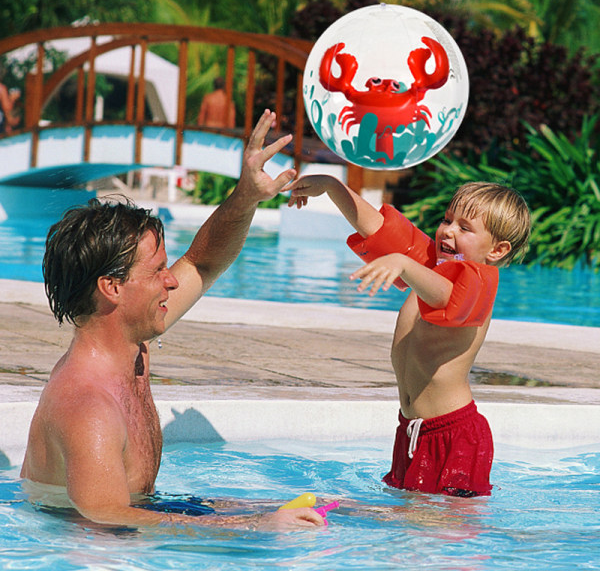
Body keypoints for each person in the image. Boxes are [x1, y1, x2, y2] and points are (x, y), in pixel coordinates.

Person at [20, 111, 324, 530]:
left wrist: (246, 196)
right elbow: (105, 518)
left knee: (341, 510)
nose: (170, 281)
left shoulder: (130, 345)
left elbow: (204, 261)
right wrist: (255, 527)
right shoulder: (87, 406)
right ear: (112, 287)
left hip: (145, 513)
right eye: (157, 271)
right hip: (88, 542)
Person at [286, 176, 530, 497]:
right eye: (446, 220)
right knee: (409, 530)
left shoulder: (478, 283)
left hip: (454, 436)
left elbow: (449, 299)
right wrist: (333, 187)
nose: (448, 230)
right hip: (413, 432)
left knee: (438, 535)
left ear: (497, 250)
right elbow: (378, 228)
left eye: (465, 228)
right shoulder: (431, 269)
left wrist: (402, 263)